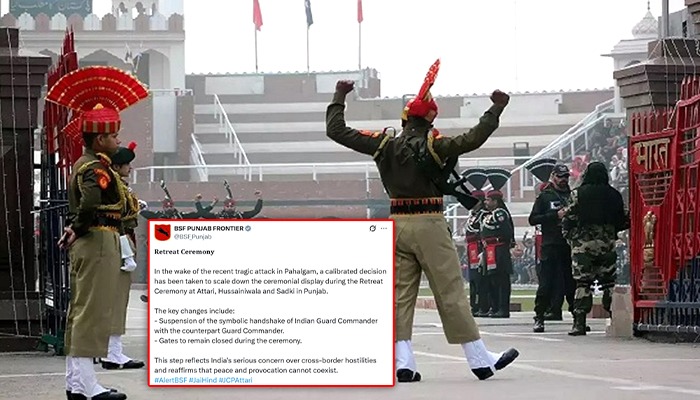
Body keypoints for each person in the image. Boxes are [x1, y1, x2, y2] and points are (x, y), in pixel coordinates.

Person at [325, 61, 518, 382]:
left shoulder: (383, 144)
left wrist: (339, 95)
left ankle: (403, 362)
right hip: (428, 222)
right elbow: (473, 138)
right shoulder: (435, 145)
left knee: (399, 296)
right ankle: (480, 359)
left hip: (396, 223)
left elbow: (336, 130)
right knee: (450, 290)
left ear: (405, 119)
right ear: (430, 120)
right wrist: (495, 109)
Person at [48, 65, 149, 400]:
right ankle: (88, 386)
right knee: (90, 314)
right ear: (100, 139)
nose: (117, 141)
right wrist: (77, 228)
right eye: (113, 136)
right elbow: (91, 203)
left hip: (95, 240)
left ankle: (77, 383)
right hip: (97, 240)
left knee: (82, 312)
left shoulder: (94, 165)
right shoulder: (95, 168)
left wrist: (75, 228)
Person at [561, 161, 629, 336]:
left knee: (582, 283)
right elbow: (623, 219)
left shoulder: (578, 194)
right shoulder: (614, 195)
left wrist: (570, 236)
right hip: (607, 244)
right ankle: (615, 319)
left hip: (582, 245)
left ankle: (579, 322)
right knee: (608, 283)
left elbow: (569, 217)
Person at [97, 141, 145, 370]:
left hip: (122, 241)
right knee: (115, 300)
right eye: (127, 165)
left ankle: (113, 351)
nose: (130, 168)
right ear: (117, 167)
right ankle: (111, 353)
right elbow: (118, 217)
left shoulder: (119, 185)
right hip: (118, 243)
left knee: (117, 300)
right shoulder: (114, 186)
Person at [527, 161, 575, 331]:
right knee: (546, 283)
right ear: (553, 177)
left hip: (568, 244)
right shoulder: (545, 196)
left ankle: (578, 318)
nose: (563, 180)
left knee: (571, 282)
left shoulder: (573, 195)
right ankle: (539, 316)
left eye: (566, 176)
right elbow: (533, 219)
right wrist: (555, 215)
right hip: (550, 244)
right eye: (560, 176)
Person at [479, 169, 515, 318]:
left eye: (488, 200)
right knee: (492, 280)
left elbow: (506, 231)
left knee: (501, 280)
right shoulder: (489, 215)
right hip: (490, 250)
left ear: (495, 201)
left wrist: (505, 244)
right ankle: (494, 307)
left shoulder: (500, 213)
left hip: (499, 250)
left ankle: (503, 308)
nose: (486, 202)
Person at [462, 169, 488, 315]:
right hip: (471, 249)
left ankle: (482, 305)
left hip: (479, 250)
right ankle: (474, 305)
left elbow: (483, 233)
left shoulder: (484, 215)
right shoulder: (473, 215)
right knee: (472, 279)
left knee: (480, 280)